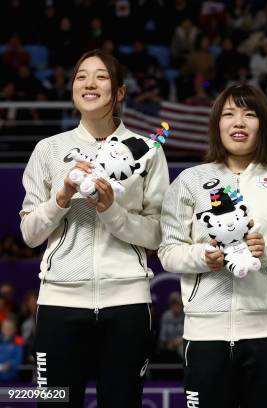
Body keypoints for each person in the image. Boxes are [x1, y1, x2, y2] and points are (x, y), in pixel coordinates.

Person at [20, 49, 169, 407]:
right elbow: (30, 235)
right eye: (81, 76)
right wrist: (62, 198)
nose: (89, 83)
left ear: (119, 92)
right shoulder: (49, 149)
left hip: (127, 301)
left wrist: (112, 211)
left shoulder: (147, 151)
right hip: (60, 300)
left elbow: (157, 235)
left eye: (101, 76)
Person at [158, 83, 267, 407]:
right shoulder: (189, 180)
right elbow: (168, 252)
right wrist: (204, 256)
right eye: (229, 114)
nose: (238, 122)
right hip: (205, 334)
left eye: (249, 114)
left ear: (264, 125)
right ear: (217, 124)